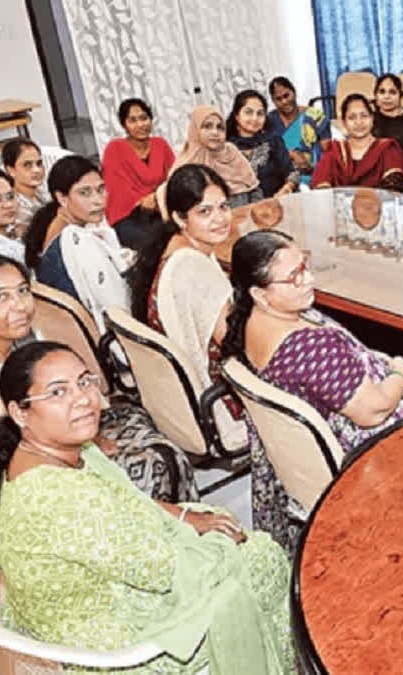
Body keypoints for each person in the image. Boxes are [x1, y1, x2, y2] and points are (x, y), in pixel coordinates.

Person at [0, 341, 295, 674]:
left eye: (84, 381)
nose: (82, 398)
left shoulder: (56, 454)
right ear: (19, 412)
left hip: (95, 604)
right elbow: (160, 569)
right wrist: (221, 543)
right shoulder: (60, 497)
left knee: (219, 524)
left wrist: (187, 517)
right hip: (120, 648)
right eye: (58, 392)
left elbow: (131, 501)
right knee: (264, 558)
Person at [0, 253, 198, 508]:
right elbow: (31, 452)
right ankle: (173, 529)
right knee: (155, 462)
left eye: (23, 291)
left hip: (1, 463)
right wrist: (96, 447)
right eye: (1, 298)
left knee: (130, 415)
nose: (20, 306)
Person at [129, 164, 302, 550]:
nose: (220, 218)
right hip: (219, 402)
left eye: (223, 206)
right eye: (204, 211)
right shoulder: (193, 267)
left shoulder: (175, 250)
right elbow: (241, 345)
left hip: (187, 401)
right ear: (180, 218)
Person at [221, 230, 403, 453]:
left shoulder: (250, 320)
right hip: (381, 442)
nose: (309, 280)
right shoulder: (309, 349)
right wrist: (401, 370)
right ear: (260, 294)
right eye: (294, 277)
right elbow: (375, 412)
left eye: (304, 266)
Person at [23, 155, 130, 332]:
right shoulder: (70, 240)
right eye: (84, 193)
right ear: (62, 198)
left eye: (101, 189)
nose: (98, 200)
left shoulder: (63, 221)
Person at [100, 98, 176, 247]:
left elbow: (174, 177)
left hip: (163, 207)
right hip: (129, 216)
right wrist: (143, 201)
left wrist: (157, 198)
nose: (140, 124)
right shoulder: (115, 149)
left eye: (144, 118)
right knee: (154, 245)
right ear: (124, 125)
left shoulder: (160, 145)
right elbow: (116, 190)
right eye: (132, 120)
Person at [310, 94, 403, 192]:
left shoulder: (387, 149)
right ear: (344, 122)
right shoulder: (334, 152)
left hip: (380, 204)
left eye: (364, 116)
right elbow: (321, 188)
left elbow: (394, 189)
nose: (359, 122)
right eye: (352, 117)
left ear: (372, 118)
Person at [172, 105, 263, 207]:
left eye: (220, 127)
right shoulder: (186, 165)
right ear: (195, 130)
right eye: (207, 126)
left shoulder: (231, 152)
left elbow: (255, 190)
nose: (215, 132)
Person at [225, 89, 298, 198]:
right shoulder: (225, 148)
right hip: (240, 207)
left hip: (274, 203)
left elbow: (292, 173)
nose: (255, 118)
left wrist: (286, 189)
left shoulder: (273, 142)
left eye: (260, 113)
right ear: (236, 115)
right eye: (248, 112)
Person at [267, 76, 330, 185]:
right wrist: (291, 154)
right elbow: (264, 152)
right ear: (273, 101)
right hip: (281, 181)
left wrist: (312, 167)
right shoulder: (268, 122)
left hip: (315, 177)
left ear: (294, 92)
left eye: (286, 95)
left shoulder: (315, 116)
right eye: (278, 99)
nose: (284, 101)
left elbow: (328, 152)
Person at [1, 139, 50, 227]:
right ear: (11, 170)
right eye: (27, 165)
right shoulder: (14, 206)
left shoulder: (42, 193)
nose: (37, 170)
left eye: (39, 163)